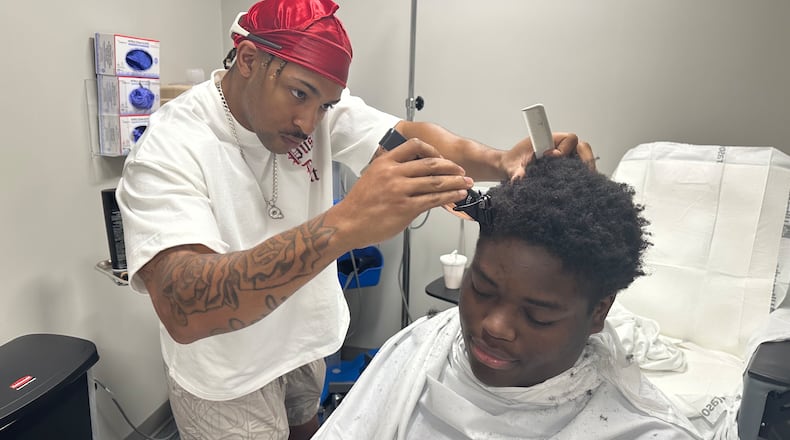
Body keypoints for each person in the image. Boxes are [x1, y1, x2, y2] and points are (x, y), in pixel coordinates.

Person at [115, 0, 595, 438]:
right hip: (228, 375)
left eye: (324, 104)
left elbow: (408, 135)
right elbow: (183, 307)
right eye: (299, 94)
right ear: (249, 59)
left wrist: (498, 162)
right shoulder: (169, 148)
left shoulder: (318, 111)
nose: (309, 122)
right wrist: (345, 225)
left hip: (302, 343)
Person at [313, 157, 702, 439]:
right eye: (482, 290)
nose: (494, 327)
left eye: (538, 316)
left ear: (599, 311)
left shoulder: (640, 430)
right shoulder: (419, 349)